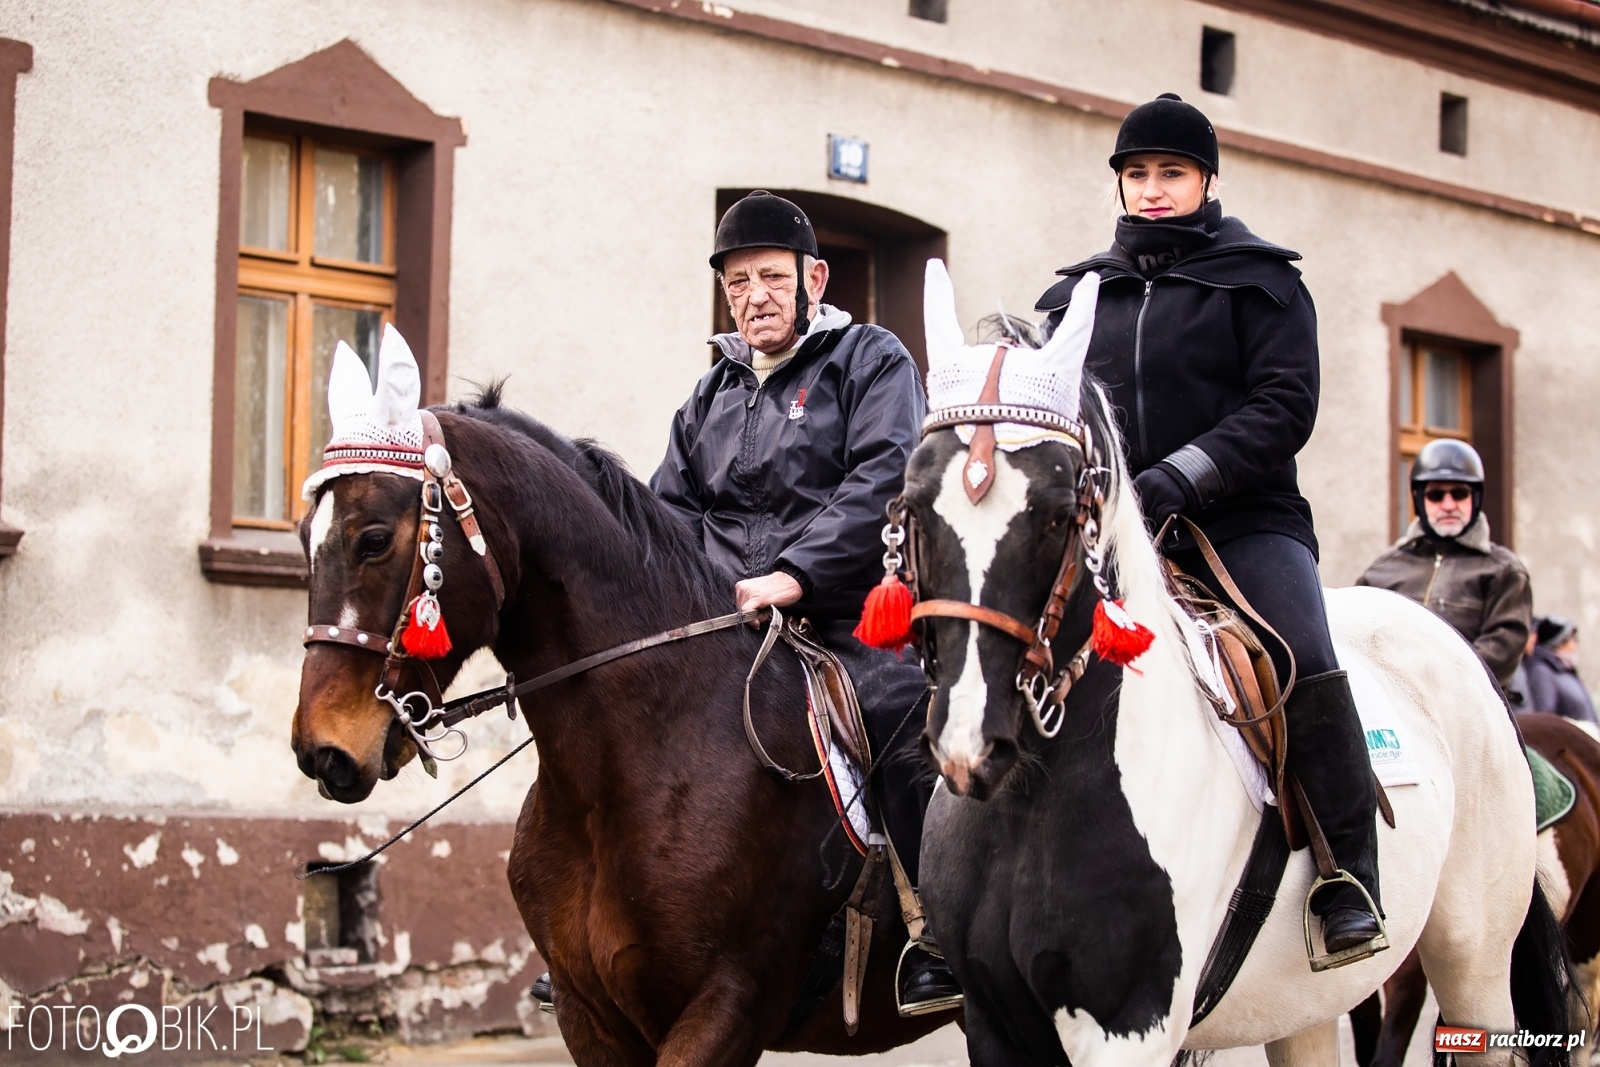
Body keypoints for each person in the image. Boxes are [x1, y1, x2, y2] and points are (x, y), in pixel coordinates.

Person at [531, 191, 961, 1017]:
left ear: (813, 278)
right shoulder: (710, 393)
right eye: (737, 282)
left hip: (840, 615)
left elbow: (884, 478)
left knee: (904, 711)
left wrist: (795, 573)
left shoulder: (871, 359)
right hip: (728, 621)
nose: (754, 295)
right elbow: (668, 515)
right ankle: (595, 926)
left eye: (770, 276)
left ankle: (934, 932)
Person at [1033, 93, 1383, 959]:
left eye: (1172, 174)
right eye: (1138, 174)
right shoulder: (1076, 296)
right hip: (1116, 529)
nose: (1153, 189)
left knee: (1300, 649)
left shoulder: (1263, 280)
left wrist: (1179, 477)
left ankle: (1349, 874)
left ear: (1207, 180)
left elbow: (1284, 407)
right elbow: (1050, 408)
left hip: (1242, 523)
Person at [1356, 439, 1531, 688]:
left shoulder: (1504, 569)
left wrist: (1440, 683)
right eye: (1436, 495)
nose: (1448, 505)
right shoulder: (1382, 570)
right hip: (1397, 702)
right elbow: (1359, 639)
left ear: (1476, 498)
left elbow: (1503, 648)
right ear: (1419, 500)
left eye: (1459, 494)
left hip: (1473, 706)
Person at [1523, 615, 1599, 727]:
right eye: (1572, 639)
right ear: (1558, 643)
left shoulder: (1563, 669)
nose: (1575, 644)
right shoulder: (1541, 672)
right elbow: (1544, 718)